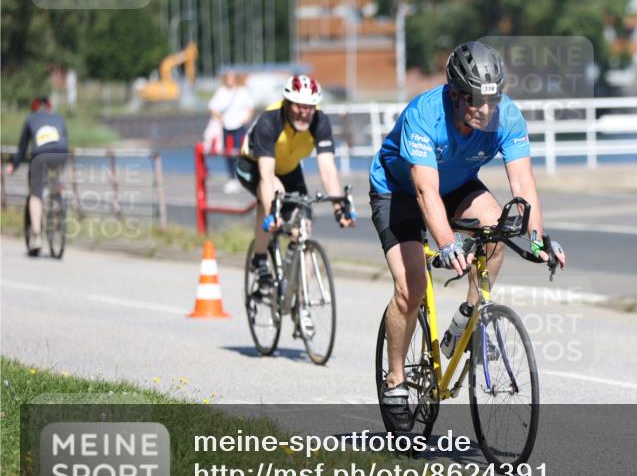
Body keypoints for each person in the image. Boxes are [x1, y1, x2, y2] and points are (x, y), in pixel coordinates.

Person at [369, 41, 566, 431]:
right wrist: (446, 244)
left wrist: (539, 241)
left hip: (456, 184)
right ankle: (395, 380)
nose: (488, 110)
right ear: (456, 95)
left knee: (498, 226)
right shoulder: (425, 114)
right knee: (410, 287)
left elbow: (523, 186)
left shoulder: (506, 115)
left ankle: (473, 319)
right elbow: (425, 191)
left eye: (494, 100)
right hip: (400, 190)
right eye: (479, 101)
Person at [236, 75, 355, 291]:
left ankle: (302, 301)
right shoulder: (270, 121)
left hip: (289, 169)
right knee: (274, 194)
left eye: (309, 106)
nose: (304, 112)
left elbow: (328, 169)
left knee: (304, 225)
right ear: (287, 103)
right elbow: (266, 175)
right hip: (253, 166)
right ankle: (260, 259)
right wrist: (272, 211)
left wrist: (339, 208)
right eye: (299, 106)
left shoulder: (319, 121)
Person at [5, 96, 69, 256]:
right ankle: (58, 198)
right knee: (57, 179)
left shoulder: (30, 119)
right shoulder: (58, 118)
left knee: (36, 194)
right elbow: (65, 141)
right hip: (61, 154)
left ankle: (36, 234)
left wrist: (13, 165)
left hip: (40, 156)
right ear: (49, 107)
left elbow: (22, 149)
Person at [206, 70, 255, 193]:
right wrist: (219, 119)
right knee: (228, 152)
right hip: (226, 126)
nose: (230, 80)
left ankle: (241, 176)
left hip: (239, 126)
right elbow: (212, 107)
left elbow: (250, 106)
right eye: (228, 78)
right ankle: (231, 178)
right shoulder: (221, 92)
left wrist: (246, 119)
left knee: (241, 151)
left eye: (232, 77)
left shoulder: (242, 91)